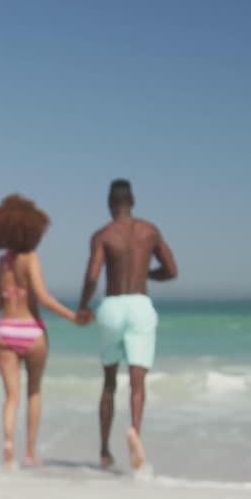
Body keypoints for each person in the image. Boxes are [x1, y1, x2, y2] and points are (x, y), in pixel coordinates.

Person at [75, 179, 178, 474]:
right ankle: (134, 431)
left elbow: (93, 275)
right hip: (140, 305)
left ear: (109, 203)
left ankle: (105, 451)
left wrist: (83, 306)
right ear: (132, 202)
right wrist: (146, 276)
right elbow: (172, 270)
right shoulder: (150, 231)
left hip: (112, 306)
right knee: (137, 381)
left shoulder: (103, 235)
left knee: (109, 382)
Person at [0, 194, 81, 469]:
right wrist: (73, 317)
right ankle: (28, 453)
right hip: (32, 329)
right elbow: (44, 297)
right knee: (34, 391)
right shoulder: (31, 259)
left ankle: (7, 445)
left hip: (5, 330)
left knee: (11, 396)